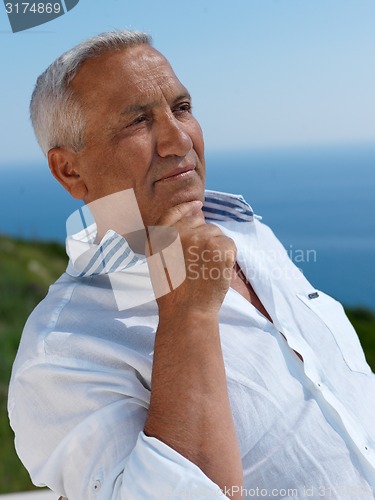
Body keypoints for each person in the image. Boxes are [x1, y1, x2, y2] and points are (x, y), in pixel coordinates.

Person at [8, 30, 375, 500]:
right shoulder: (62, 349)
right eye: (138, 122)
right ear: (69, 170)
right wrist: (188, 314)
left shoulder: (247, 232)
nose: (179, 139)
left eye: (181, 108)